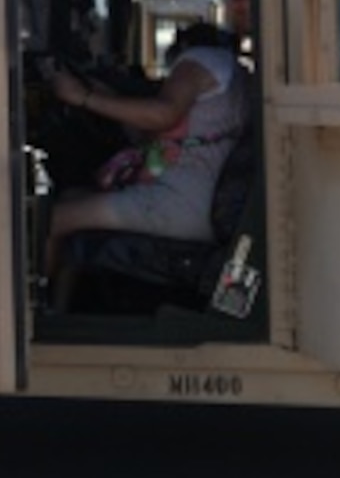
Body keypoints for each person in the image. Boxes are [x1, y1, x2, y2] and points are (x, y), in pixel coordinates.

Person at [39, 20, 250, 309]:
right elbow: (148, 134)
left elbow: (163, 115)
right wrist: (103, 96)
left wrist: (83, 97)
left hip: (180, 203)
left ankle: (33, 314)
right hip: (197, 200)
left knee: (52, 219)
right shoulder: (231, 72)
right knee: (71, 198)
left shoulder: (199, 60)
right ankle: (61, 312)